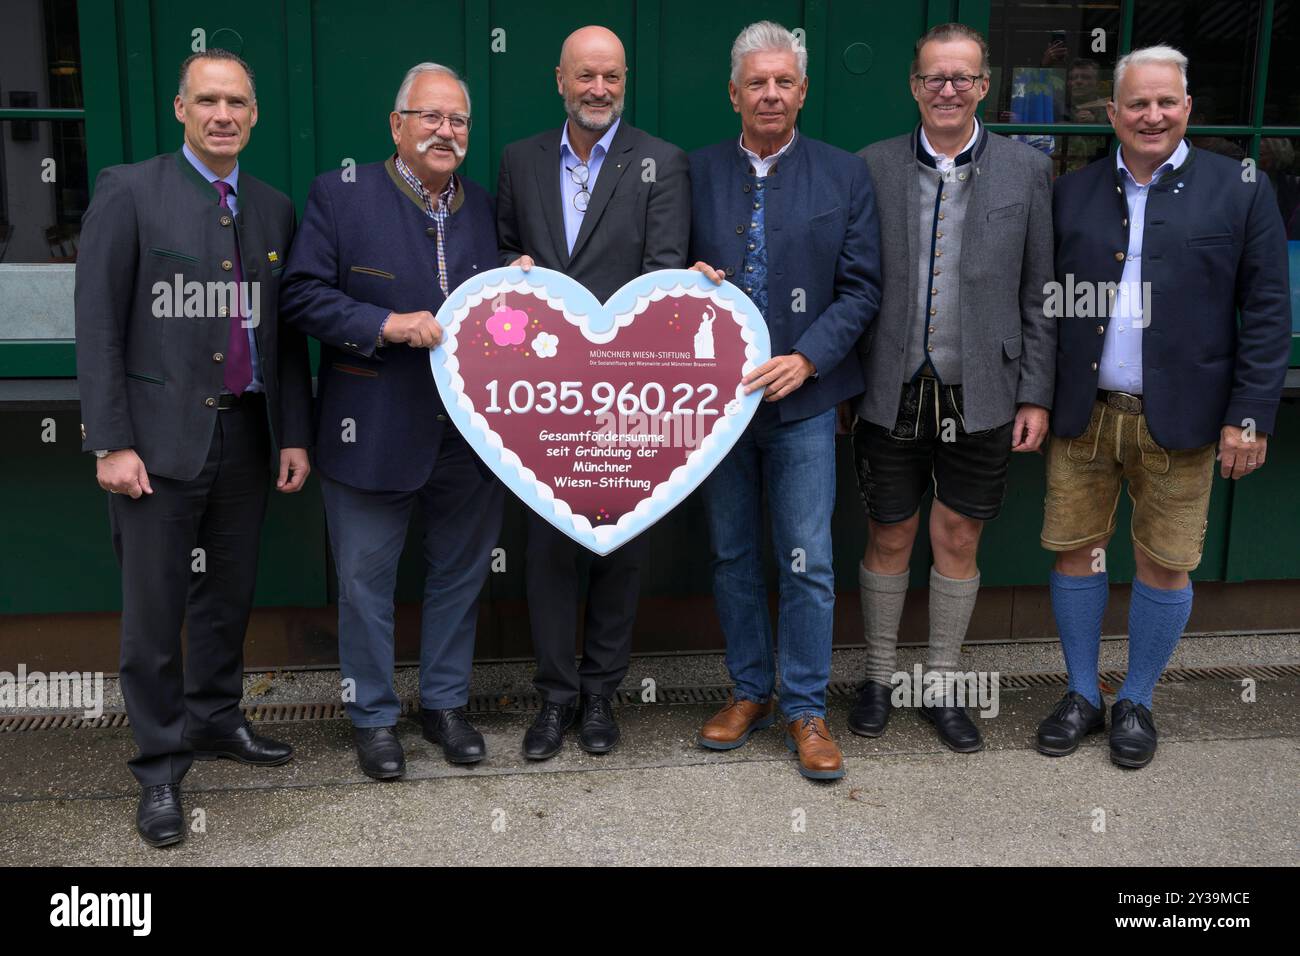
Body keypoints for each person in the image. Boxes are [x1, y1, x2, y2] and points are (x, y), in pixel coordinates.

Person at [74, 49, 312, 847]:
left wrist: (296, 435)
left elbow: (282, 340)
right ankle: (159, 766)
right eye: (207, 100)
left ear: (253, 114)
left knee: (227, 597)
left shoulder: (274, 208)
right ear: (181, 109)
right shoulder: (130, 191)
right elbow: (99, 325)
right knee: (152, 614)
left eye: (236, 102)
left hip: (246, 436)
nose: (222, 114)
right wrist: (110, 441)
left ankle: (216, 720)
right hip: (154, 445)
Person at [1039, 45, 1292, 769]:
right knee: (1076, 555)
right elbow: (1044, 305)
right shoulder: (1073, 192)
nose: (1152, 115)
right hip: (1084, 413)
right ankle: (1083, 694)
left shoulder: (1238, 189)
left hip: (1183, 418)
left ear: (1187, 108)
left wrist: (1250, 413)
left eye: (1167, 102)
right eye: (1137, 104)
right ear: (1113, 114)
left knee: (1165, 562)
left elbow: (1268, 313)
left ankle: (1137, 700)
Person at [279, 63, 504, 780]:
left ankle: (443, 704)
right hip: (368, 429)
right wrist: (384, 324)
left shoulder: (487, 208)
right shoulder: (340, 197)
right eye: (431, 117)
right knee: (365, 585)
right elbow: (302, 297)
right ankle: (373, 718)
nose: (446, 131)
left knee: (460, 575)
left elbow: (502, 323)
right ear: (397, 125)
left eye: (458, 121)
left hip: (469, 435)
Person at [849, 22, 1054, 753]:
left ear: (984, 84)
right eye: (935, 77)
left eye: (962, 77)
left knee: (958, 535)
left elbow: (1040, 292)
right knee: (889, 531)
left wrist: (1035, 393)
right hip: (889, 384)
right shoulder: (870, 167)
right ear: (914, 85)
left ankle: (939, 685)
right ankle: (877, 678)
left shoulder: (1028, 171)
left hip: (986, 388)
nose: (948, 89)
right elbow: (852, 282)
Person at [690, 20, 882, 780]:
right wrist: (686, 281)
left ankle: (805, 707)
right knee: (732, 553)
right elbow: (664, 272)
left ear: (802, 92)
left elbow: (864, 287)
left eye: (784, 82)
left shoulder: (844, 175)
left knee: (807, 560)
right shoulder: (692, 171)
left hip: (804, 402)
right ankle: (749, 692)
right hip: (718, 406)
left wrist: (810, 357)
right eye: (756, 83)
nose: (770, 94)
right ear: (734, 93)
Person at [496, 25, 691, 760]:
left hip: (627, 398)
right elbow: (500, 261)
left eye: (610, 76)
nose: (599, 88)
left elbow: (664, 277)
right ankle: (554, 698)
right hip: (541, 400)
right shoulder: (520, 160)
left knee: (620, 547)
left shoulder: (661, 164)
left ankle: (603, 694)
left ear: (624, 79)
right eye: (585, 76)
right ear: (560, 79)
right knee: (547, 550)